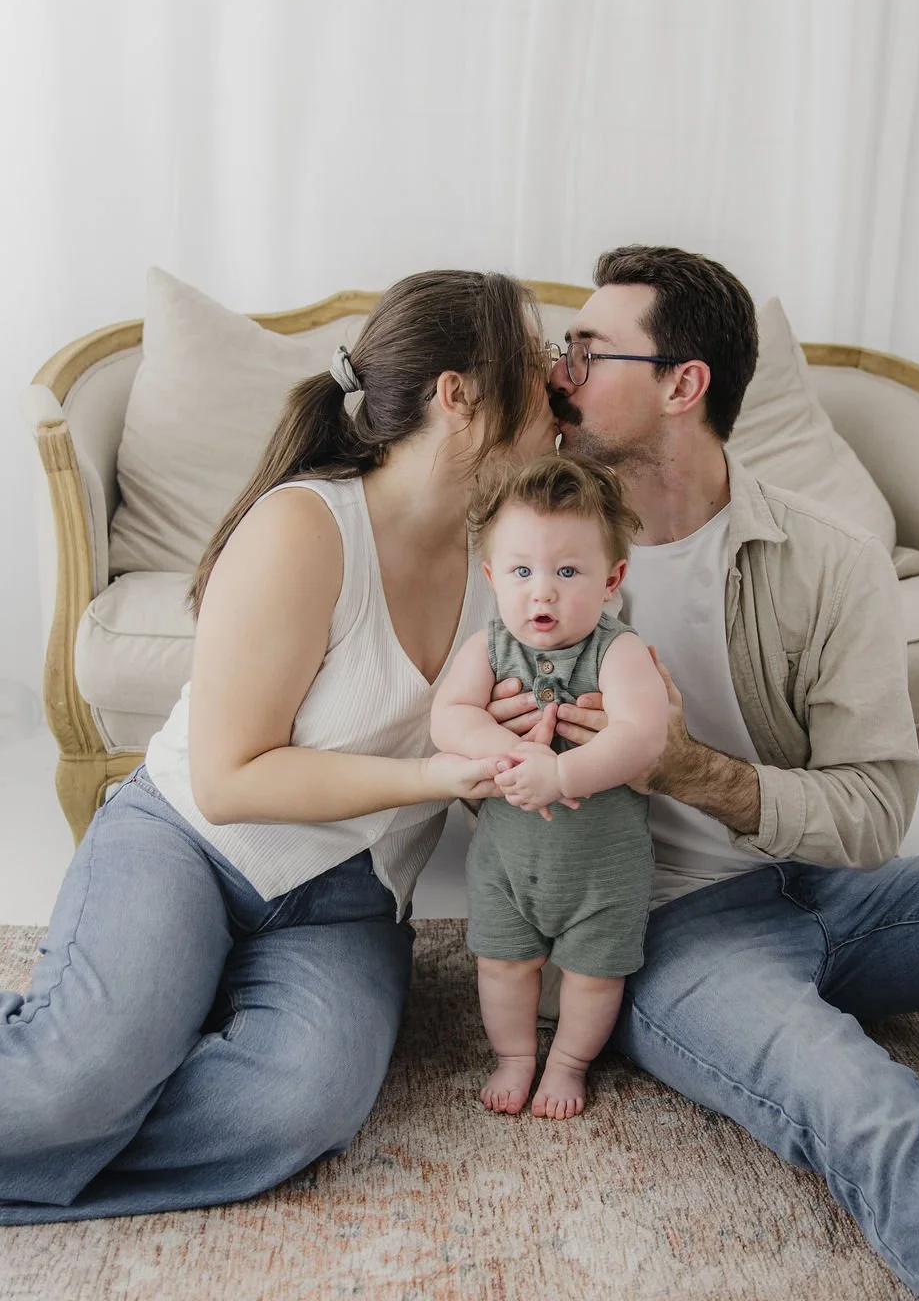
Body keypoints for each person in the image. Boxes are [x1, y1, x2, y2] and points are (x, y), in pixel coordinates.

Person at [488, 245, 919, 1301]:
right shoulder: (534, 550)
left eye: (591, 352)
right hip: (676, 929)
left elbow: (873, 816)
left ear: (684, 384)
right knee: (871, 1106)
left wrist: (692, 769)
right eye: (566, 349)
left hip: (828, 888)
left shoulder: (825, 559)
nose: (562, 372)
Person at [0, 267, 557, 1225]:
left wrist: (538, 757)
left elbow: (486, 749)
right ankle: (82, 1086)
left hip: (348, 899)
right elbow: (225, 780)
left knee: (295, 1108)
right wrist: (432, 772)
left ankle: (94, 1100)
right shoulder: (306, 526)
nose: (558, 376)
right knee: (73, 1084)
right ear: (458, 395)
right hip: (188, 843)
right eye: (538, 356)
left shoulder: (510, 559)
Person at [431, 455, 667, 1119]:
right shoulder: (489, 646)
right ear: (491, 577)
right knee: (503, 966)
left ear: (612, 579)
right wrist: (508, 751)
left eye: (568, 572)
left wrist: (560, 773)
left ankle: (567, 1064)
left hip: (603, 872)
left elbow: (642, 735)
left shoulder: (617, 652)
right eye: (522, 571)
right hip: (508, 865)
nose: (543, 593)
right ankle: (514, 1056)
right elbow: (448, 716)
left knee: (596, 975)